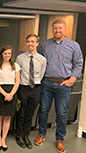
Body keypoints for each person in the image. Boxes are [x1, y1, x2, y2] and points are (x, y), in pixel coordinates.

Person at [34, 19, 83, 153]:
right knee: (43, 110)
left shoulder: (74, 46)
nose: (57, 31)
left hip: (64, 84)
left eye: (60, 28)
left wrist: (72, 79)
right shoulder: (44, 45)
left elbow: (78, 63)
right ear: (52, 30)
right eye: (55, 28)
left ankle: (60, 139)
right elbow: (40, 62)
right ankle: (41, 134)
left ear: (65, 30)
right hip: (47, 83)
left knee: (61, 113)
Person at [15, 34, 46, 149]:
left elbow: (41, 74)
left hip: (36, 89)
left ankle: (26, 135)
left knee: (30, 115)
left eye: (32, 41)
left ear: (37, 43)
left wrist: (35, 83)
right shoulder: (20, 58)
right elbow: (17, 75)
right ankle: (19, 136)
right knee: (21, 113)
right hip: (23, 88)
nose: (30, 44)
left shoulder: (42, 59)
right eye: (28, 41)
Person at [0, 45, 20, 152]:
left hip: (12, 93)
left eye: (9, 53)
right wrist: (5, 94)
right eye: (5, 53)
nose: (7, 55)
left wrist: (10, 94)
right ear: (1, 54)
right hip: (0, 92)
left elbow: (17, 81)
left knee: (7, 118)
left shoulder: (16, 66)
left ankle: (4, 139)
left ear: (11, 54)